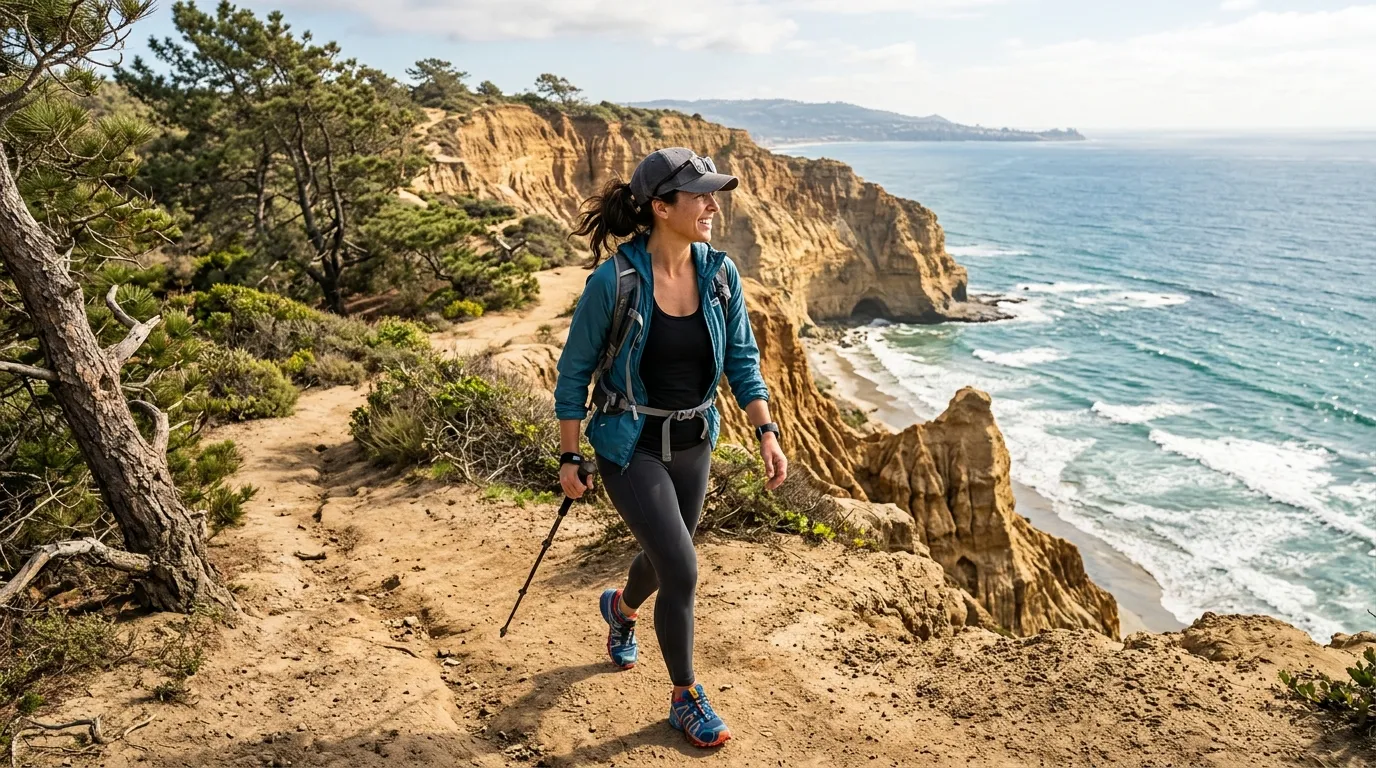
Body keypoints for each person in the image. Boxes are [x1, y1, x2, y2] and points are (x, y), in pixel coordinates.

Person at [552, 147, 788, 748]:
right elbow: (575, 372)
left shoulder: (719, 274)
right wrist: (570, 456)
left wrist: (766, 431)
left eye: (714, 194)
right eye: (699, 196)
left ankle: (620, 610)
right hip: (631, 446)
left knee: (665, 556)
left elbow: (742, 362)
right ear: (661, 207)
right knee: (682, 568)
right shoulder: (615, 280)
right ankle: (685, 697)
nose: (712, 205)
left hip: (694, 440)